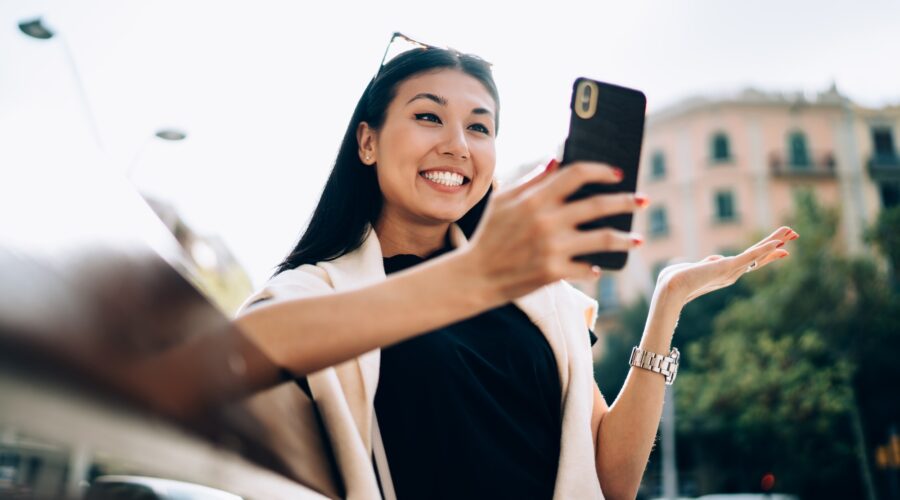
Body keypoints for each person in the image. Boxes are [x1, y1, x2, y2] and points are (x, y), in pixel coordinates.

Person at [234, 33, 797, 500]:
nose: (458, 145)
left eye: (479, 127)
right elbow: (241, 353)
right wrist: (473, 275)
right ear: (367, 142)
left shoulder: (542, 301)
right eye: (429, 116)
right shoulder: (320, 288)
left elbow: (611, 479)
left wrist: (667, 302)